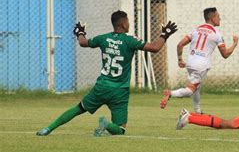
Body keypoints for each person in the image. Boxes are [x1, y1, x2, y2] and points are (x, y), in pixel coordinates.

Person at [36, 11, 177, 136]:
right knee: (120, 129)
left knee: (78, 108)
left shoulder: (103, 38)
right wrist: (165, 34)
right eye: (127, 21)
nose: (129, 24)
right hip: (120, 91)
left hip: (102, 87)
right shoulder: (130, 40)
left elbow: (83, 43)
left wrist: (79, 33)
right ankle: (106, 124)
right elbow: (155, 47)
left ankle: (48, 128)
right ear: (122, 23)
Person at [160, 7, 238, 114]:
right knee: (190, 90)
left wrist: (179, 60)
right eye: (218, 16)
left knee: (197, 87)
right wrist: (235, 43)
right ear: (213, 18)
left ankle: (198, 111)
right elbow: (225, 55)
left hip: (190, 63)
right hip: (201, 65)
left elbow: (180, 45)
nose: (220, 19)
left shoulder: (195, 30)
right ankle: (170, 93)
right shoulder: (217, 34)